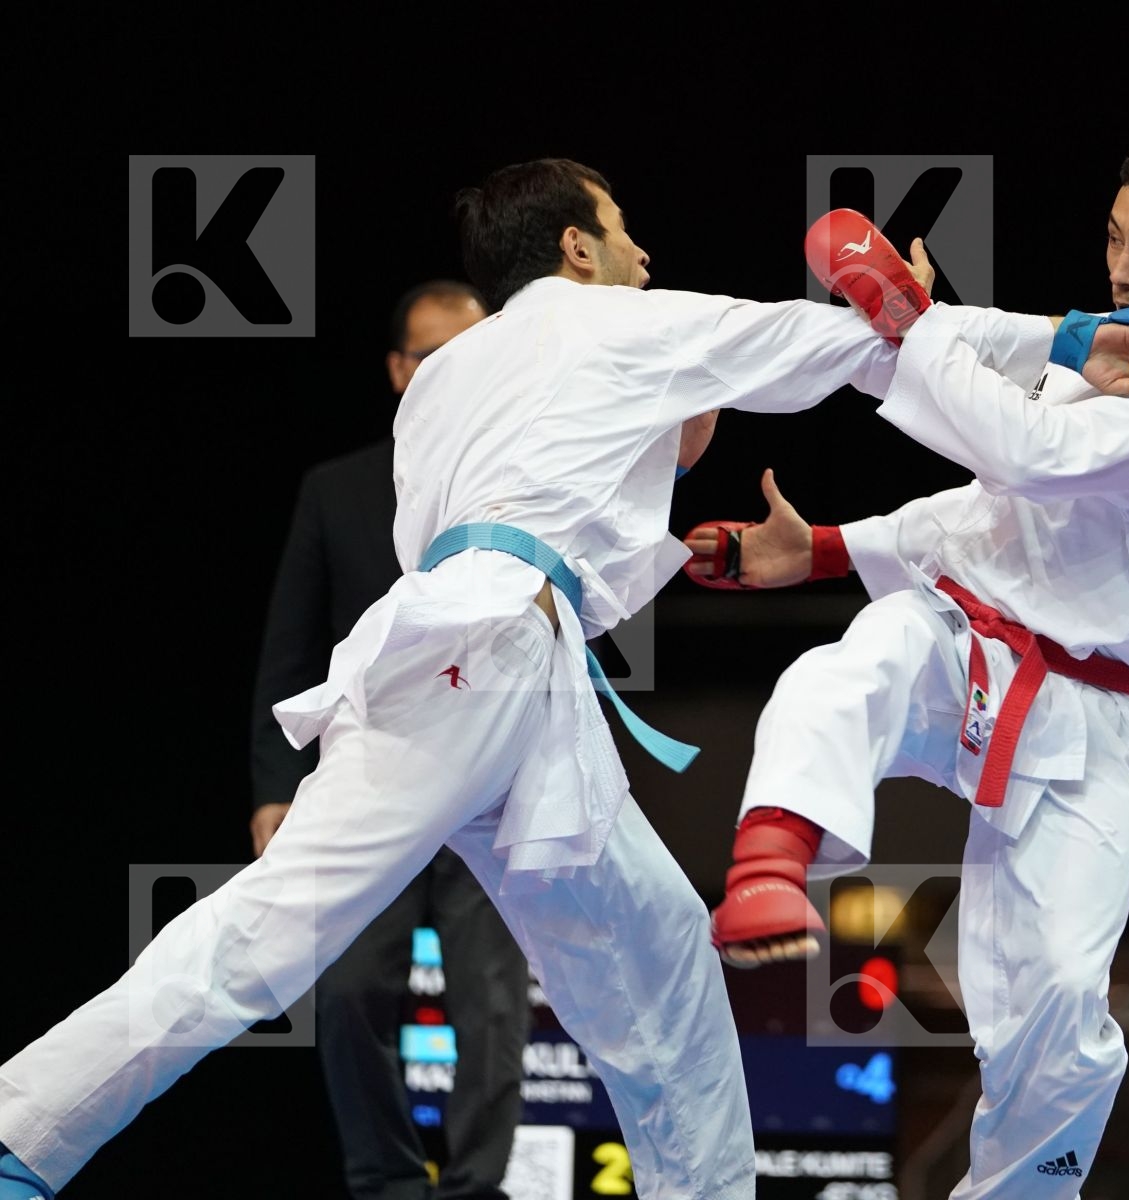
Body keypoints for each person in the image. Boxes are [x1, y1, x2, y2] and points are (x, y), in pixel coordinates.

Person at [0, 156, 929, 1200]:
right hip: (481, 654)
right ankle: (20, 1132)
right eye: (623, 227)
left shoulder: (451, 377)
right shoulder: (615, 322)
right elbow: (823, 346)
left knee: (664, 956)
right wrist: (929, 313)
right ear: (578, 246)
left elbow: (571, 481)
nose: (645, 252)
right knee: (264, 933)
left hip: (507, 668)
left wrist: (683, 469)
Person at [688, 137, 1129, 1197]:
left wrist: (920, 324)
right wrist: (821, 548)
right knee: (855, 664)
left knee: (1056, 1019)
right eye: (1112, 239)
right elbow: (994, 511)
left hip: (1093, 719)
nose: (1124, 268)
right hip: (970, 641)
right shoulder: (1095, 348)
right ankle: (769, 865)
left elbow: (1030, 459)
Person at [248, 280, 532, 1200]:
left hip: (492, 786)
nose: (452, 375)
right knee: (350, 994)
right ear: (398, 370)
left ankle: (475, 1189)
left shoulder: (532, 487)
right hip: (370, 781)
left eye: (473, 355)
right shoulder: (335, 490)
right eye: (433, 358)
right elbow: (289, 649)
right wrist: (272, 787)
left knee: (492, 1007)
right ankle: (385, 1182)